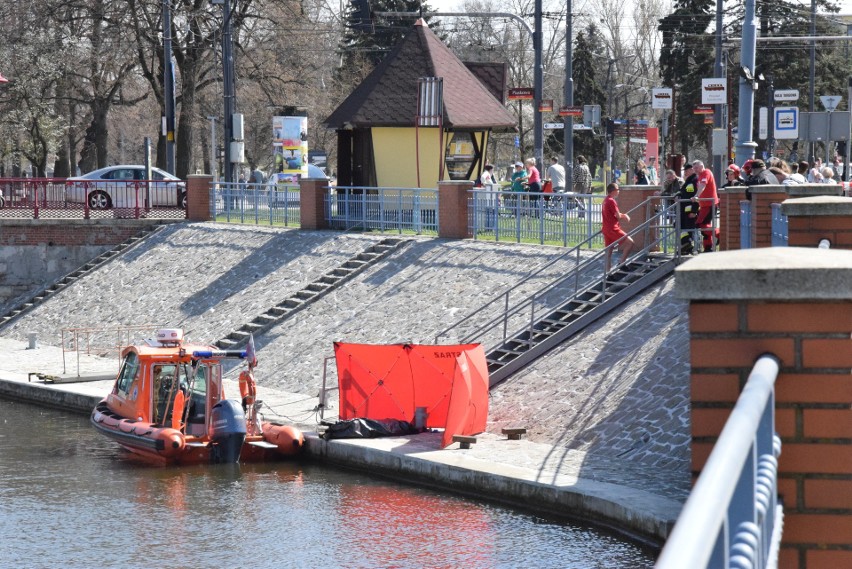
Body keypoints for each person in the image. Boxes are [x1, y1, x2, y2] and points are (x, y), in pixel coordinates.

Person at [601, 182, 634, 271]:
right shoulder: (611, 200)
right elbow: (618, 216)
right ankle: (622, 262)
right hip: (613, 228)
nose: (619, 191)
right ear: (613, 191)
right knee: (630, 242)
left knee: (609, 252)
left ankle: (608, 274)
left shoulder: (605, 200)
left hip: (606, 229)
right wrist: (625, 216)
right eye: (618, 189)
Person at [692, 160, 719, 252]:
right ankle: (708, 248)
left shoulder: (706, 173)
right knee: (704, 226)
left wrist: (696, 196)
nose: (694, 170)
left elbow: (703, 185)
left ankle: (719, 234)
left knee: (700, 224)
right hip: (704, 205)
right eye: (693, 168)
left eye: (696, 168)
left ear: (701, 166)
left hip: (709, 204)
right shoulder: (699, 176)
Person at [678, 163, 699, 255]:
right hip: (684, 211)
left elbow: (698, 196)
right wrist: (677, 195)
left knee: (689, 229)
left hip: (691, 211)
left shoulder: (695, 180)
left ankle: (689, 247)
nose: (685, 172)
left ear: (691, 170)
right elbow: (682, 191)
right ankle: (686, 246)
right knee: (681, 227)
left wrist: (694, 210)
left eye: (687, 170)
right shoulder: (688, 181)